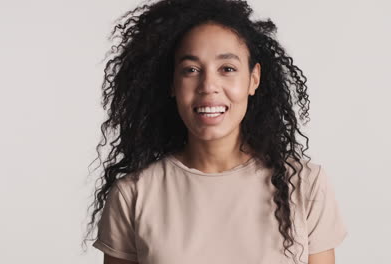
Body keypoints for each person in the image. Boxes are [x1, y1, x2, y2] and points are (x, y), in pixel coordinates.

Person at [82, 0, 348, 263]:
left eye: (227, 69)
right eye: (191, 70)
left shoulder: (304, 186)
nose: (208, 85)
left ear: (253, 79)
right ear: (172, 84)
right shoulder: (133, 195)